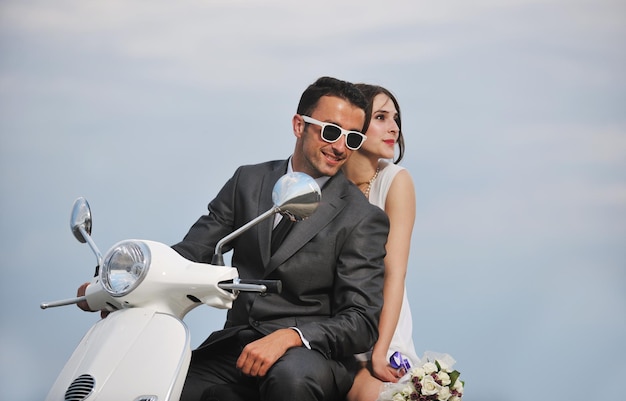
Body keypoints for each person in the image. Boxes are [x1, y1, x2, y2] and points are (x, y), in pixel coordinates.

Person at [74, 77, 389, 401]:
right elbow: (190, 252)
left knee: (291, 379)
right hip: (235, 345)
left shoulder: (362, 217)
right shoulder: (248, 181)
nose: (340, 147)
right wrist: (118, 286)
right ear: (299, 125)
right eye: (331, 131)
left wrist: (291, 336)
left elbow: (362, 321)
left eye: (352, 138)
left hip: (310, 356)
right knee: (158, 385)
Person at [342, 84, 418, 401]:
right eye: (382, 117)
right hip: (333, 326)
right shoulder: (326, 184)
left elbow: (394, 272)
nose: (394, 128)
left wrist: (380, 350)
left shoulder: (395, 181)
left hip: (382, 329)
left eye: (395, 118)